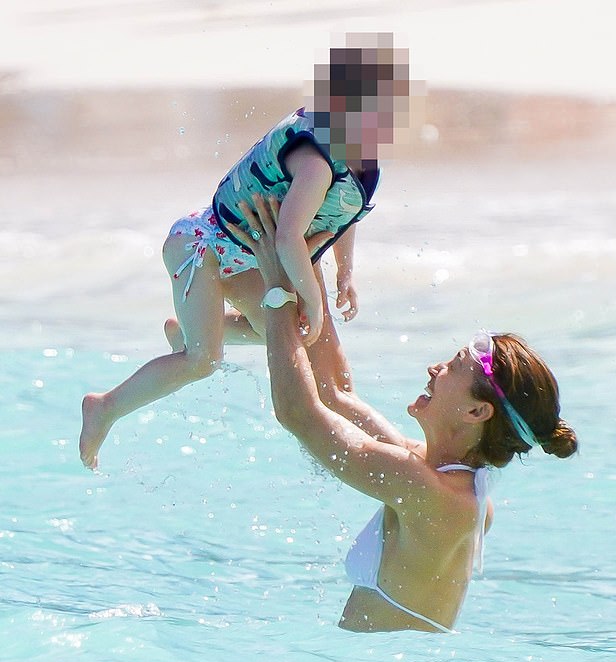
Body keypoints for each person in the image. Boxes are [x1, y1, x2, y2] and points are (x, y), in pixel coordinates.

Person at [227, 195, 579, 633]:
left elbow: (299, 413)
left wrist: (277, 286)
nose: (435, 368)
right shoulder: (451, 484)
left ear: (476, 410)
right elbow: (334, 395)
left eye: (452, 366)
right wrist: (305, 261)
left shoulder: (428, 490)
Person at [79, 32, 410, 469]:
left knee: (285, 332)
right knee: (204, 361)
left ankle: (197, 325)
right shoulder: (314, 160)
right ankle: (105, 406)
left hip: (249, 254)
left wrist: (344, 273)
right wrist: (312, 297)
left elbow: (340, 212)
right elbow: (289, 238)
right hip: (204, 249)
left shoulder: (360, 161)